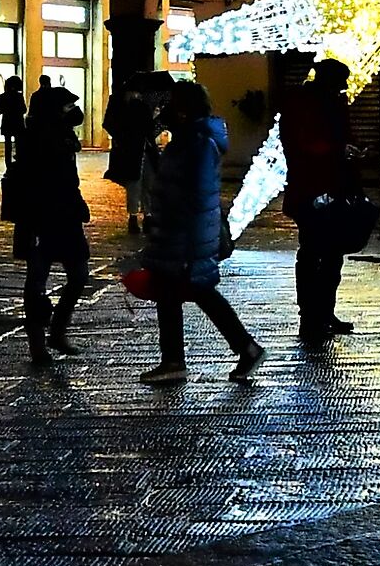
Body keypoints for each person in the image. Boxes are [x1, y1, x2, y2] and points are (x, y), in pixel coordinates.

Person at [139, 78, 266, 384]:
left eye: (170, 104)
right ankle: (240, 349)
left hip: (185, 234)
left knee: (185, 290)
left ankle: (179, 360)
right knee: (191, 291)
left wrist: (166, 218)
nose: (164, 109)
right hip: (181, 231)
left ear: (183, 109)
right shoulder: (186, 139)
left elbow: (193, 193)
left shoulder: (195, 143)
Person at [281, 56, 360, 345]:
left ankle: (324, 312)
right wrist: (339, 150)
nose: (344, 88)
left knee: (331, 254)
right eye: (341, 83)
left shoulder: (332, 104)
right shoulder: (303, 105)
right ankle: (310, 315)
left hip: (334, 186)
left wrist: (350, 149)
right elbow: (302, 144)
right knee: (314, 251)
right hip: (311, 188)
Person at [12, 80, 89, 363]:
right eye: (69, 106)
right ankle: (38, 343)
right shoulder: (36, 138)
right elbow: (34, 180)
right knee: (37, 281)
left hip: (67, 214)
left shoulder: (64, 135)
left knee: (79, 275)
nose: (74, 111)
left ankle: (57, 330)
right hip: (40, 216)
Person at [103, 72, 160, 239]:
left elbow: (148, 129)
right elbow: (148, 129)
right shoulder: (133, 106)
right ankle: (140, 216)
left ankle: (138, 216)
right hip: (137, 151)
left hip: (140, 151)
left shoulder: (127, 105)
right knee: (140, 185)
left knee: (141, 185)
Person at [0, 75, 26, 174]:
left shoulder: (3, 96)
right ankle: (19, 163)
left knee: (7, 146)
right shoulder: (19, 96)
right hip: (18, 123)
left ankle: (8, 165)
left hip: (7, 123)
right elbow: (24, 110)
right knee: (19, 145)